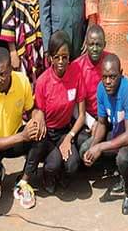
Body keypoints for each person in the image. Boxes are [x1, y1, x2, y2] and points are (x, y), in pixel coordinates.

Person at [81, 54, 128, 215]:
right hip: (118, 134)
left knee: (124, 158)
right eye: (104, 77)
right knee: (85, 149)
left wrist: (100, 147)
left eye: (112, 77)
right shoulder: (101, 89)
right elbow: (102, 124)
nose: (107, 82)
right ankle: (123, 174)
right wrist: (92, 148)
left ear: (121, 73)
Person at [0, 48, 44, 207]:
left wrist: (38, 115)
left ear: (11, 71)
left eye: (2, 74)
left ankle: (23, 182)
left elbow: (31, 108)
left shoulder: (22, 81)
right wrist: (22, 136)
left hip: (15, 139)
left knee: (40, 133)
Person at [27, 31, 85, 193]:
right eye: (56, 57)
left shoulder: (76, 73)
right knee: (53, 164)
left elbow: (81, 115)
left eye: (65, 57)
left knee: (72, 164)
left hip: (64, 131)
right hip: (47, 134)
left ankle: (63, 175)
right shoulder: (43, 81)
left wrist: (69, 137)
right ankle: (48, 175)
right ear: (50, 58)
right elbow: (37, 112)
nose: (61, 61)